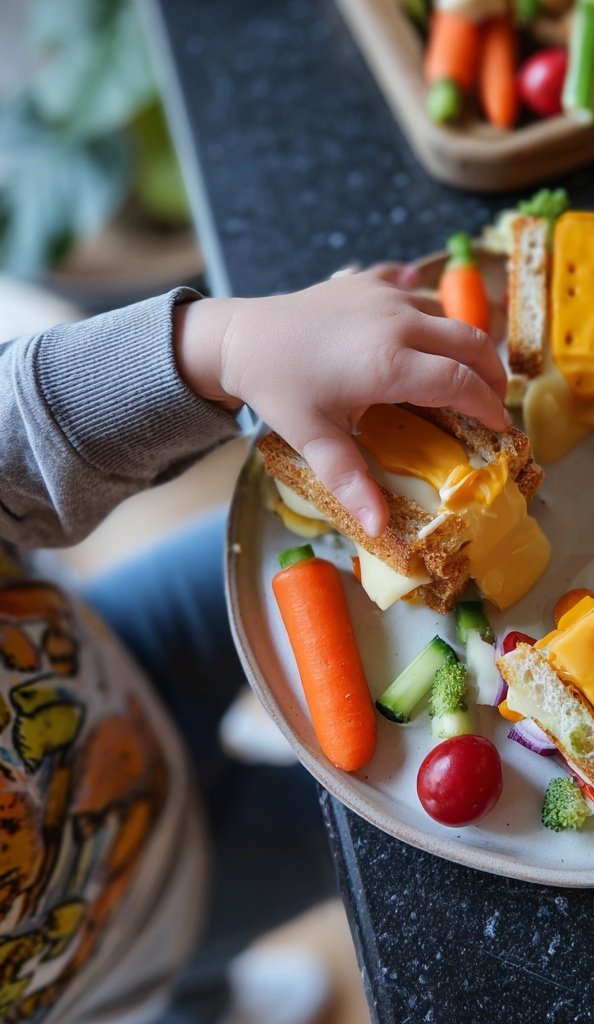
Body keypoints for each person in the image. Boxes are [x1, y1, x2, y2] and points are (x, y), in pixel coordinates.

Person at [0, 265, 508, 1022]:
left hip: (113, 647)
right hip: (144, 909)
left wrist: (223, 346)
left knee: (288, 544)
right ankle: (208, 1002)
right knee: (360, 857)